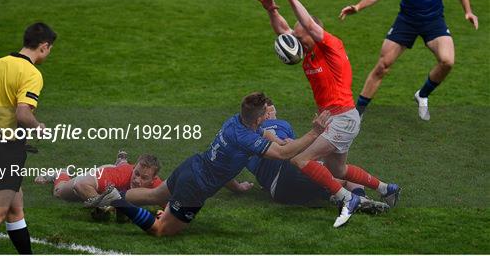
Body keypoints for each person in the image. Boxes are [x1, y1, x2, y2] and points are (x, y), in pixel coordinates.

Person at [254, 0, 400, 227]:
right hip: (335, 118)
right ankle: (387, 188)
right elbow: (285, 30)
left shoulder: (331, 46)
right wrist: (271, 11)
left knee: (300, 160)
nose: (296, 41)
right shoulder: (307, 51)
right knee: (338, 171)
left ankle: (346, 197)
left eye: (300, 37)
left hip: (342, 117)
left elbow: (307, 25)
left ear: (313, 33)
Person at [87, 92, 333, 235]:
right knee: (161, 229)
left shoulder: (236, 122)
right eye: (265, 114)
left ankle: (115, 195)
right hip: (196, 186)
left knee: (153, 195)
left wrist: (281, 139)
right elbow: (281, 155)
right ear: (259, 119)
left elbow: (276, 143)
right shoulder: (246, 138)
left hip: (192, 165)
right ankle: (116, 200)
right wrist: (314, 133)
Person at [339, 0, 478, 120]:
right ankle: (357, 113)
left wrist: (468, 11)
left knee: (447, 61)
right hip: (407, 21)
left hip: (433, 21)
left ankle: (422, 95)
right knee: (382, 66)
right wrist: (358, 6)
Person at [0, 23, 57, 254]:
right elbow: (22, 113)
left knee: (15, 208)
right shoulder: (31, 73)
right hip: (6, 150)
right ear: (44, 47)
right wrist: (39, 127)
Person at [228, 101, 389, 214]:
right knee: (340, 174)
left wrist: (239, 187)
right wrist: (316, 134)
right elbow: (290, 150)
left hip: (278, 193)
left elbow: (225, 173)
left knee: (322, 184)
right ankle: (361, 199)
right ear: (267, 115)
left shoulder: (241, 139)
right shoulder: (282, 125)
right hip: (288, 171)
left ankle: (336, 197)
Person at [34, 151, 163, 204]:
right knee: (60, 192)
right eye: (136, 174)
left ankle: (121, 160)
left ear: (153, 180)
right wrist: (102, 206)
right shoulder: (122, 175)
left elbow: (174, 204)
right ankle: (60, 173)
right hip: (104, 173)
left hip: (116, 173)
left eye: (144, 178)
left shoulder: (157, 185)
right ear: (134, 168)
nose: (137, 180)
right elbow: (81, 185)